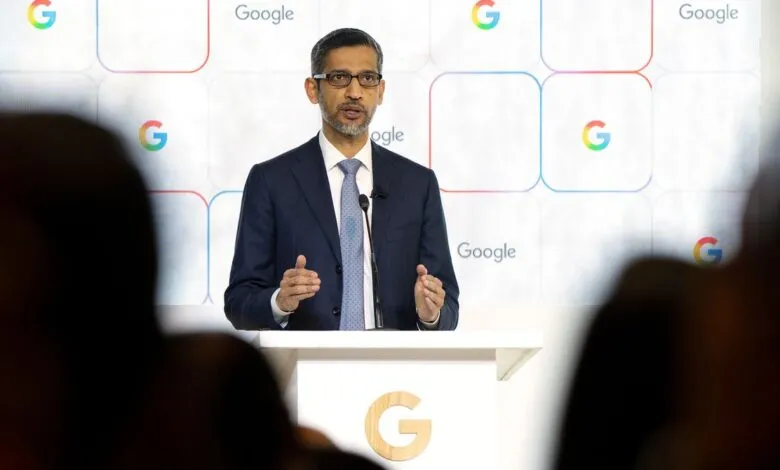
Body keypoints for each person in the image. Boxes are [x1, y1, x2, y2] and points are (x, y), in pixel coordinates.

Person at [224, 28, 459, 331]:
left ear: (381, 90)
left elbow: (448, 305)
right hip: (305, 368)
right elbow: (239, 302)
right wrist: (279, 302)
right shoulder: (271, 181)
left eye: (367, 78)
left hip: (393, 370)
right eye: (339, 78)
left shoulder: (417, 184)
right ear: (313, 89)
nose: (355, 92)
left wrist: (431, 314)